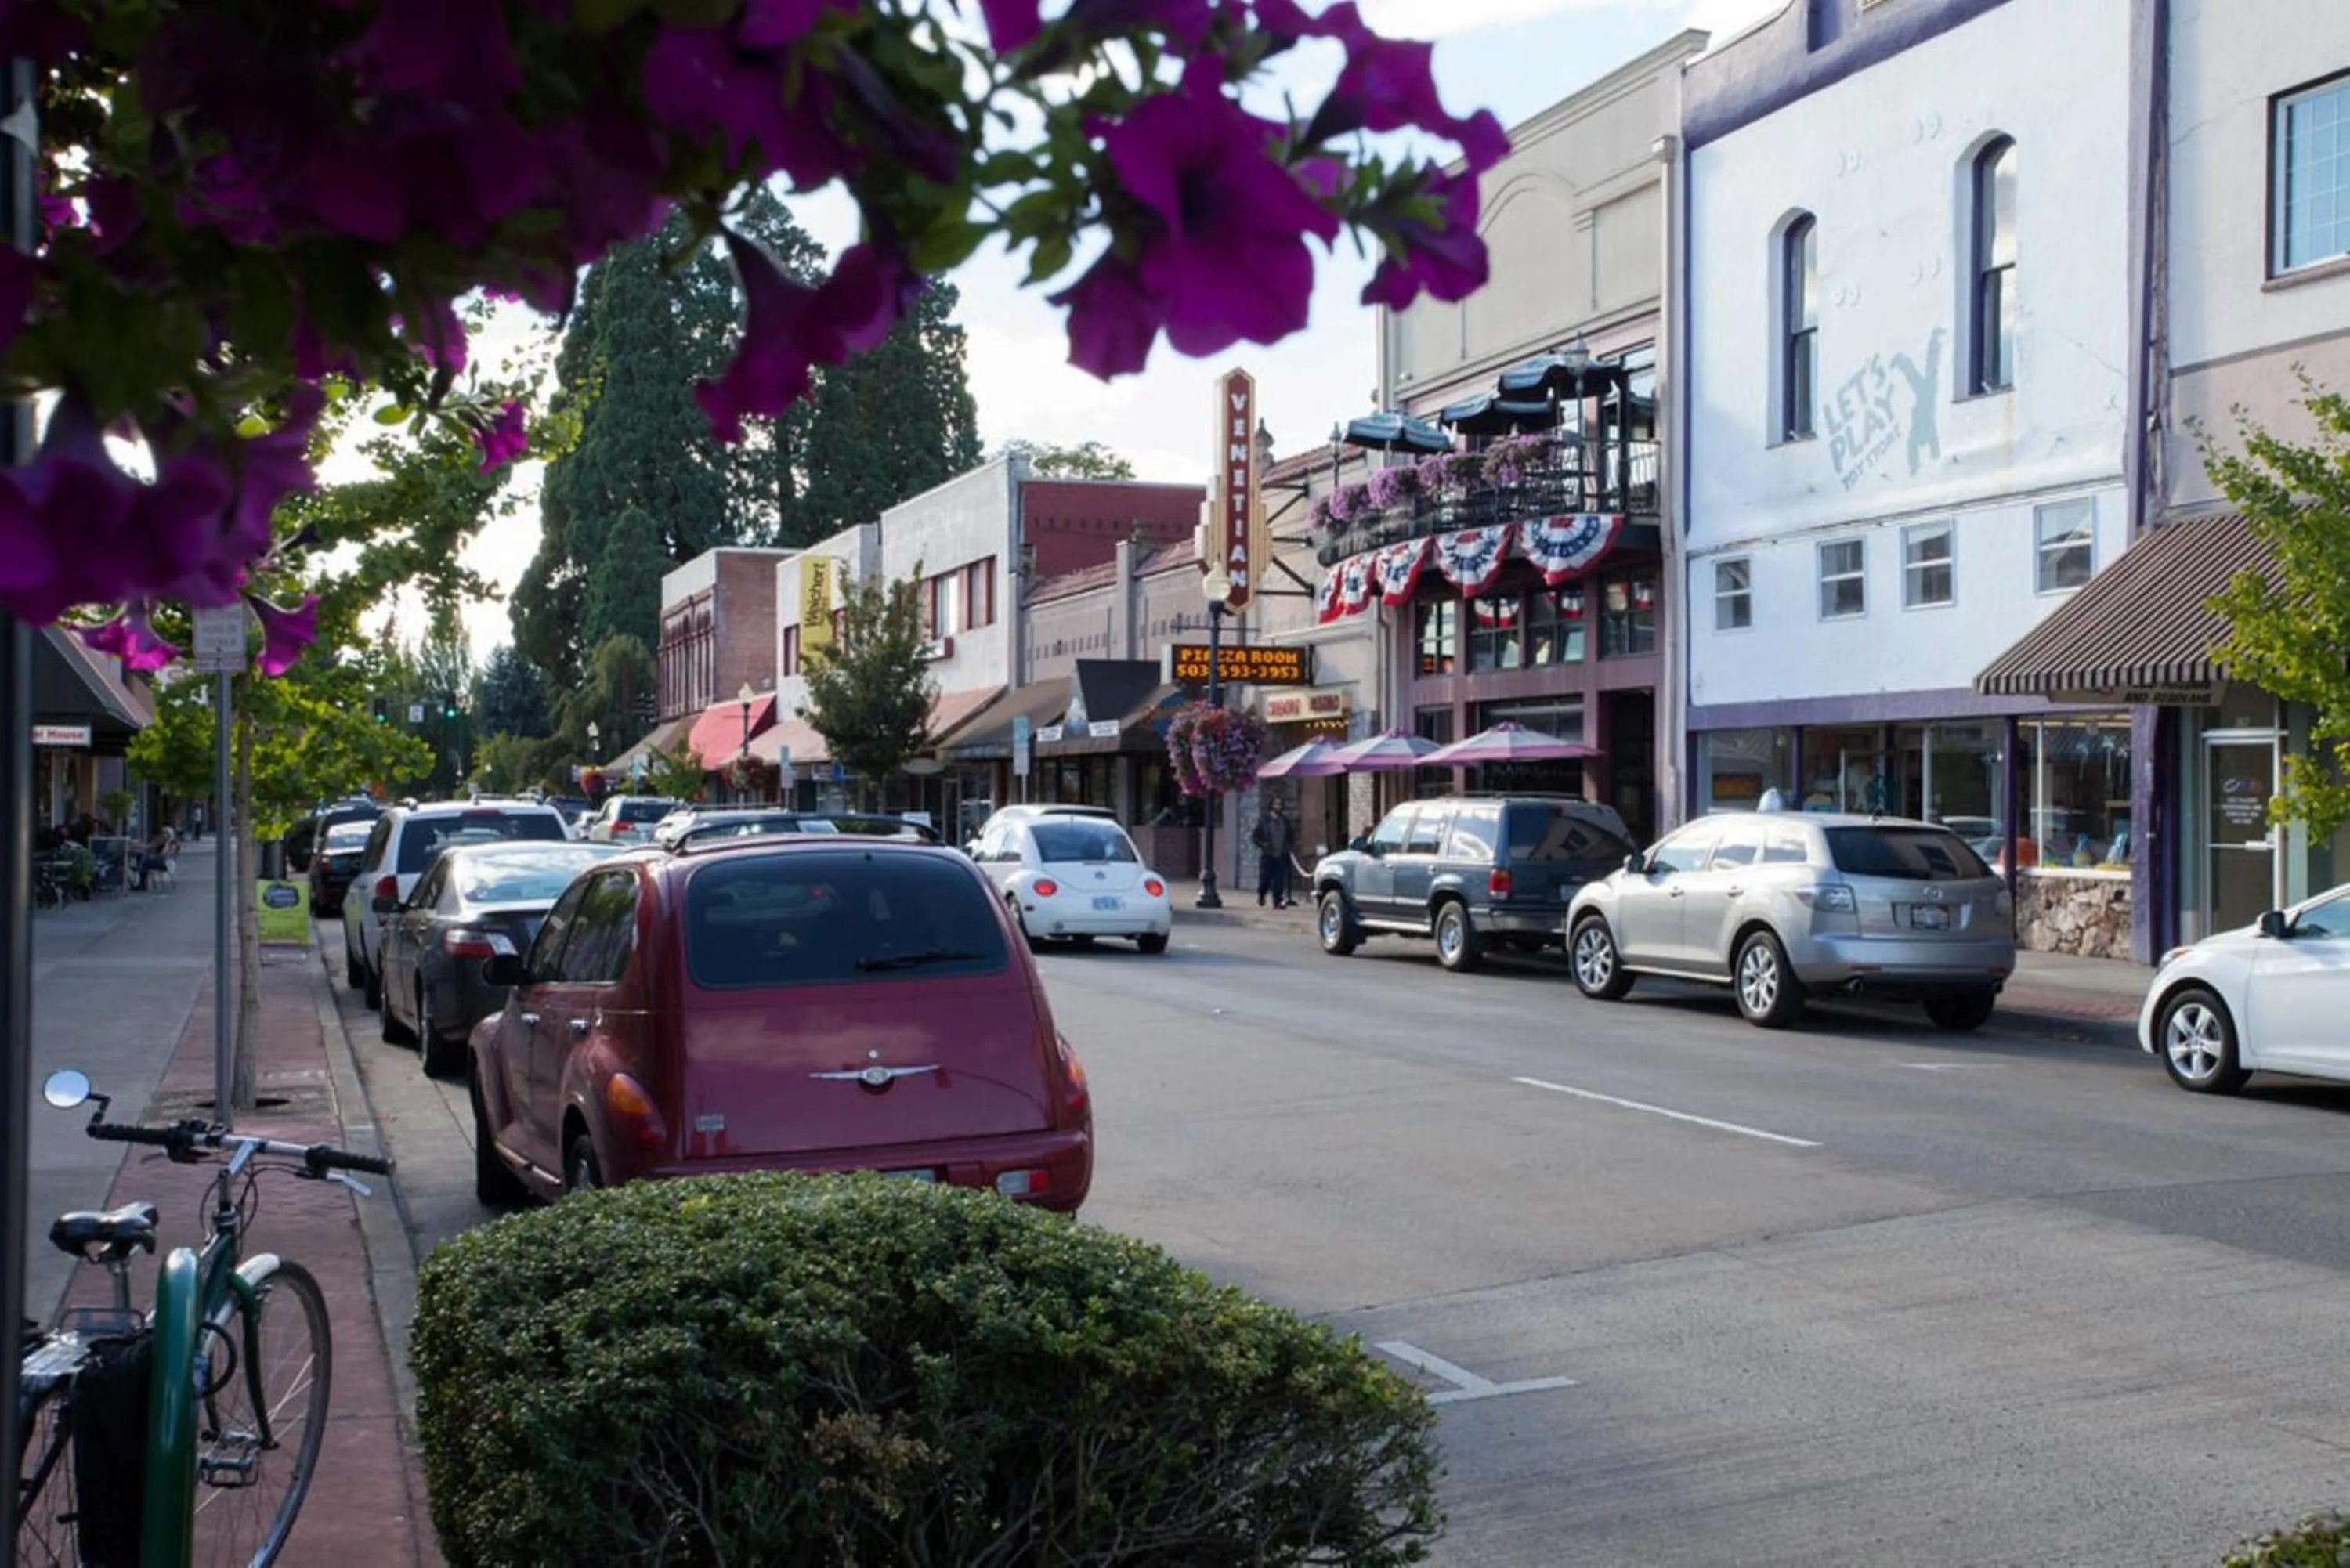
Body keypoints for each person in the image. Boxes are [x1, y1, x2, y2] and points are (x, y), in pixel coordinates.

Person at [1252, 797, 1296, 909]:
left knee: (1279, 880)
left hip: (1281, 854)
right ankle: (1262, 894)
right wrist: (1263, 845)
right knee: (1265, 879)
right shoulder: (1264, 820)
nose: (1278, 807)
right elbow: (1255, 836)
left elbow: (1290, 836)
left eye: (1280, 804)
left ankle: (1277, 902)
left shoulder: (1285, 820)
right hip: (1268, 854)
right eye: (1276, 804)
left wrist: (1289, 846)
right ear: (1271, 805)